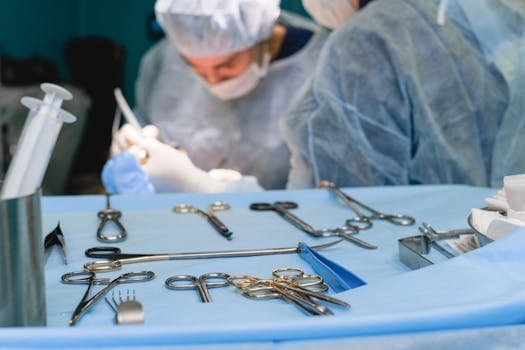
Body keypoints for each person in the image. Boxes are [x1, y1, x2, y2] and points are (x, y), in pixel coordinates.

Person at [281, 0, 525, 189]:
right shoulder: (469, 15)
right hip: (497, 228)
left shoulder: (366, 39)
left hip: (414, 237)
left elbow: (340, 185)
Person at [104, 0, 328, 194]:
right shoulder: (165, 58)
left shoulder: (323, 66)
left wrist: (199, 185)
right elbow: (147, 124)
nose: (212, 80)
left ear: (262, 39)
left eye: (227, 64)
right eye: (194, 67)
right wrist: (136, 152)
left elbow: (324, 192)